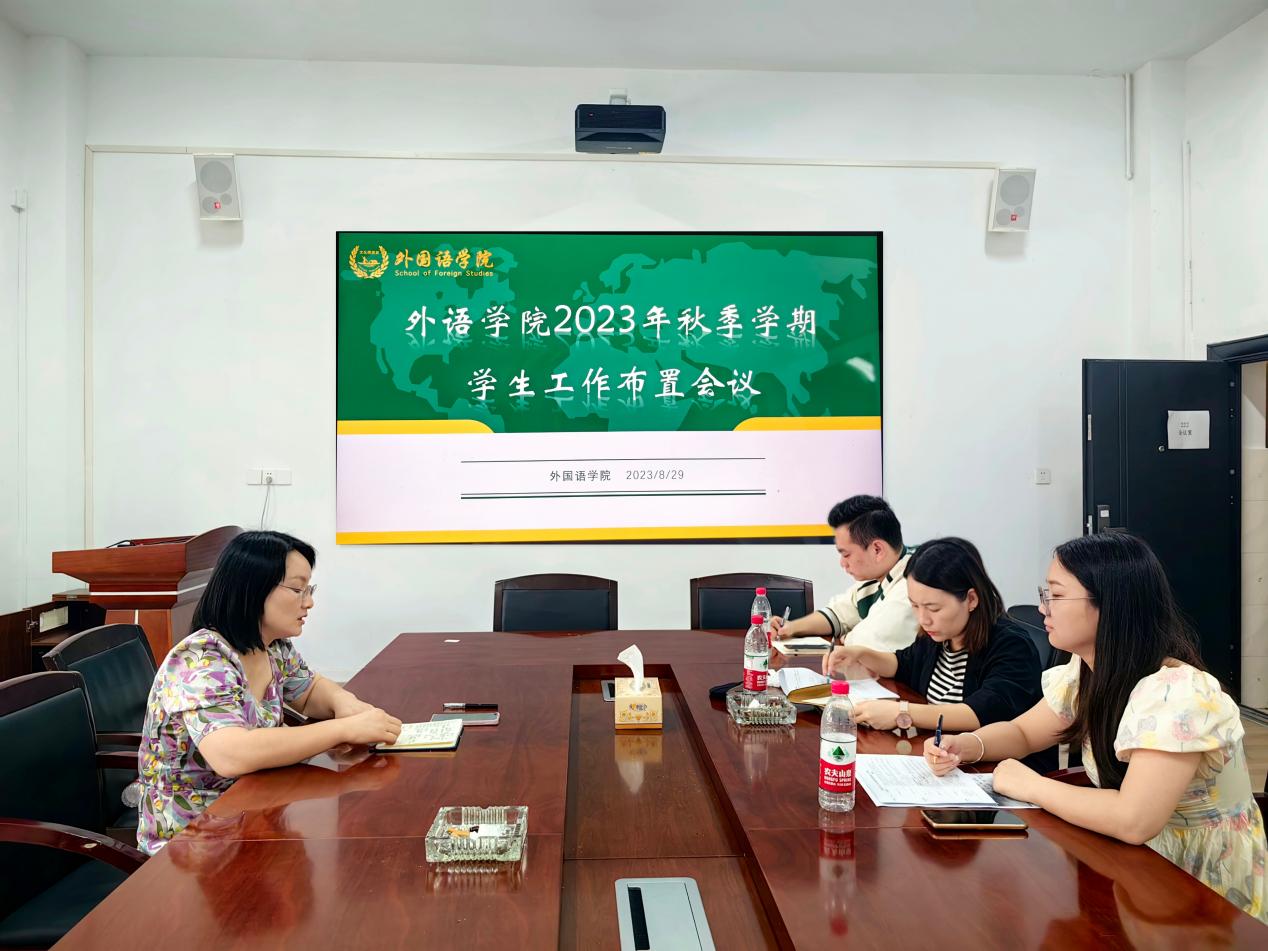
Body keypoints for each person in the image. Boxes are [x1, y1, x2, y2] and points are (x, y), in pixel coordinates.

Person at [924, 533, 1266, 923]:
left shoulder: (1177, 692)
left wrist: (1029, 785)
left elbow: (1134, 820)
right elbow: (1023, 733)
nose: (1042, 607)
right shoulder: (1087, 670)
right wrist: (967, 744)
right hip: (1132, 862)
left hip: (1201, 886)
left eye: (1055, 595)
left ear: (1110, 604)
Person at [136, 530, 403, 854]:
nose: (309, 602)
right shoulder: (201, 660)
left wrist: (344, 702)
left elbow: (309, 690)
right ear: (253, 590)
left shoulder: (272, 646)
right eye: (298, 589)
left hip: (255, 813)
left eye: (309, 589)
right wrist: (342, 729)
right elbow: (232, 755)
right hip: (192, 844)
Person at [823, 538, 1053, 770]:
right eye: (915, 606)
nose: (923, 618)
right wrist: (860, 654)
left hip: (994, 768)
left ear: (971, 599)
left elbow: (981, 712)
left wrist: (902, 713)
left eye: (933, 608)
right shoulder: (939, 635)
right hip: (941, 757)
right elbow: (902, 664)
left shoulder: (1011, 645)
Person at [769, 495, 919, 651]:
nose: (842, 563)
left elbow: (871, 640)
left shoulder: (913, 585)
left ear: (877, 550)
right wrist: (791, 627)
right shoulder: (882, 573)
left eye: (846, 554)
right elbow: (839, 613)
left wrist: (848, 637)